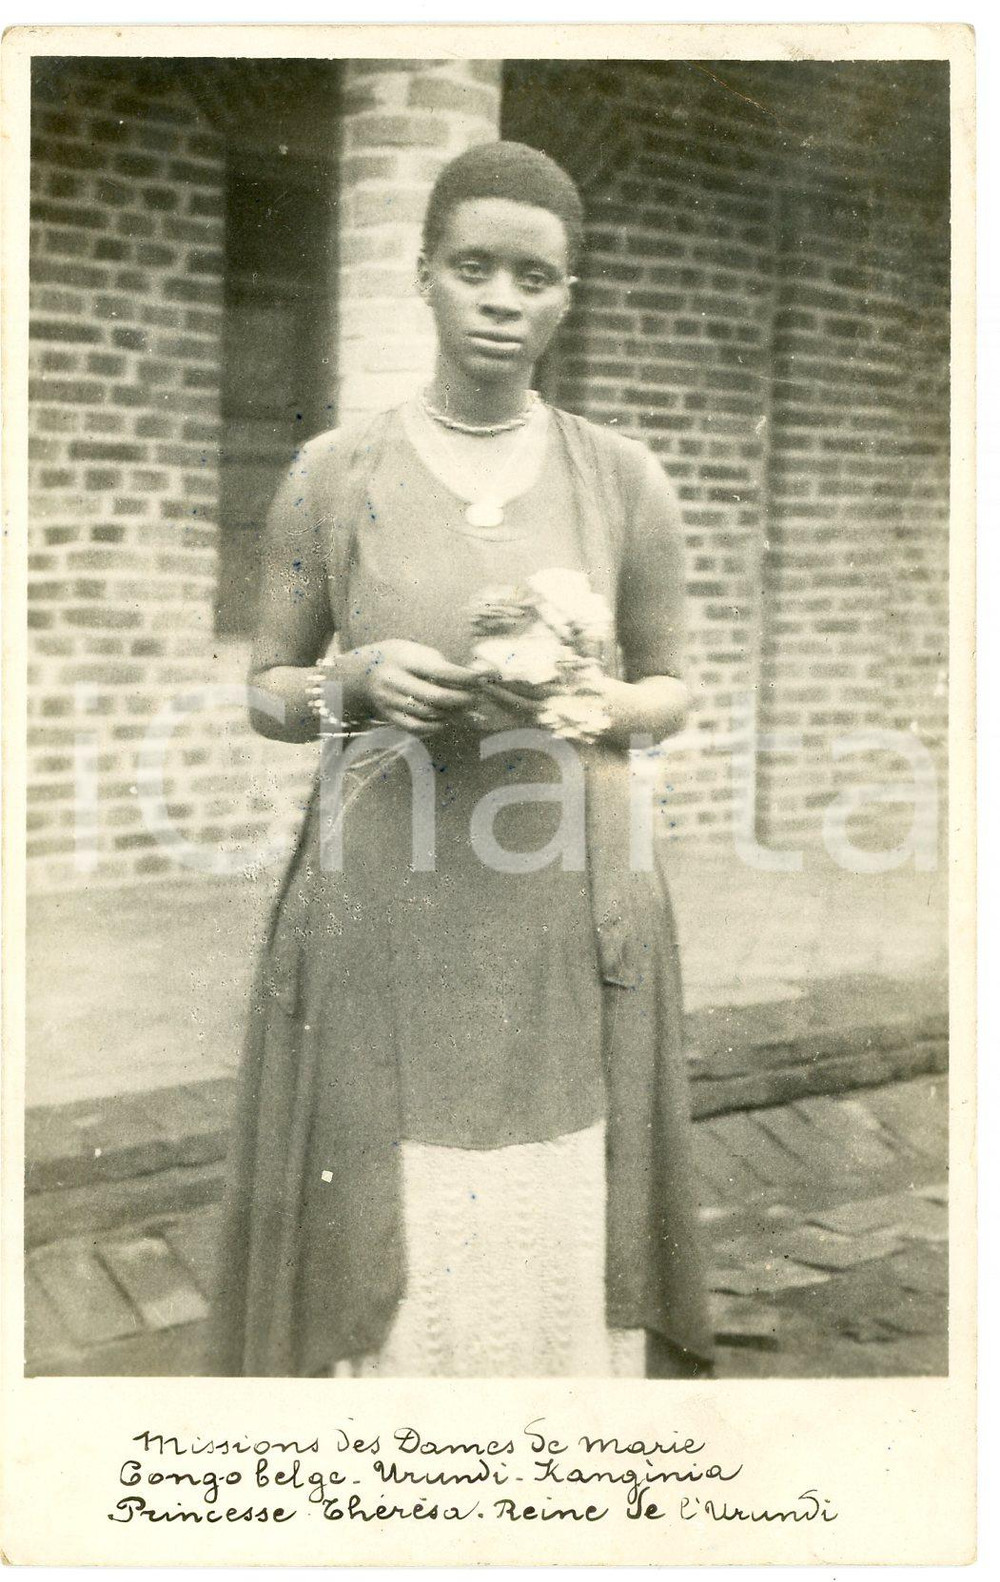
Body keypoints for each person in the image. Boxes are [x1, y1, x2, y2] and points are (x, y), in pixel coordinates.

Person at [210, 140, 715, 1379]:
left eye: (534, 277)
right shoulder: (334, 476)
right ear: (422, 276)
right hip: (392, 893)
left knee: (558, 1186)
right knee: (394, 1190)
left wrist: (605, 702)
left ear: (566, 297)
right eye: (475, 268)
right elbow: (267, 691)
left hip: (563, 892)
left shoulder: (624, 481)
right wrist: (352, 681)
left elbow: (674, 684)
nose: (503, 299)